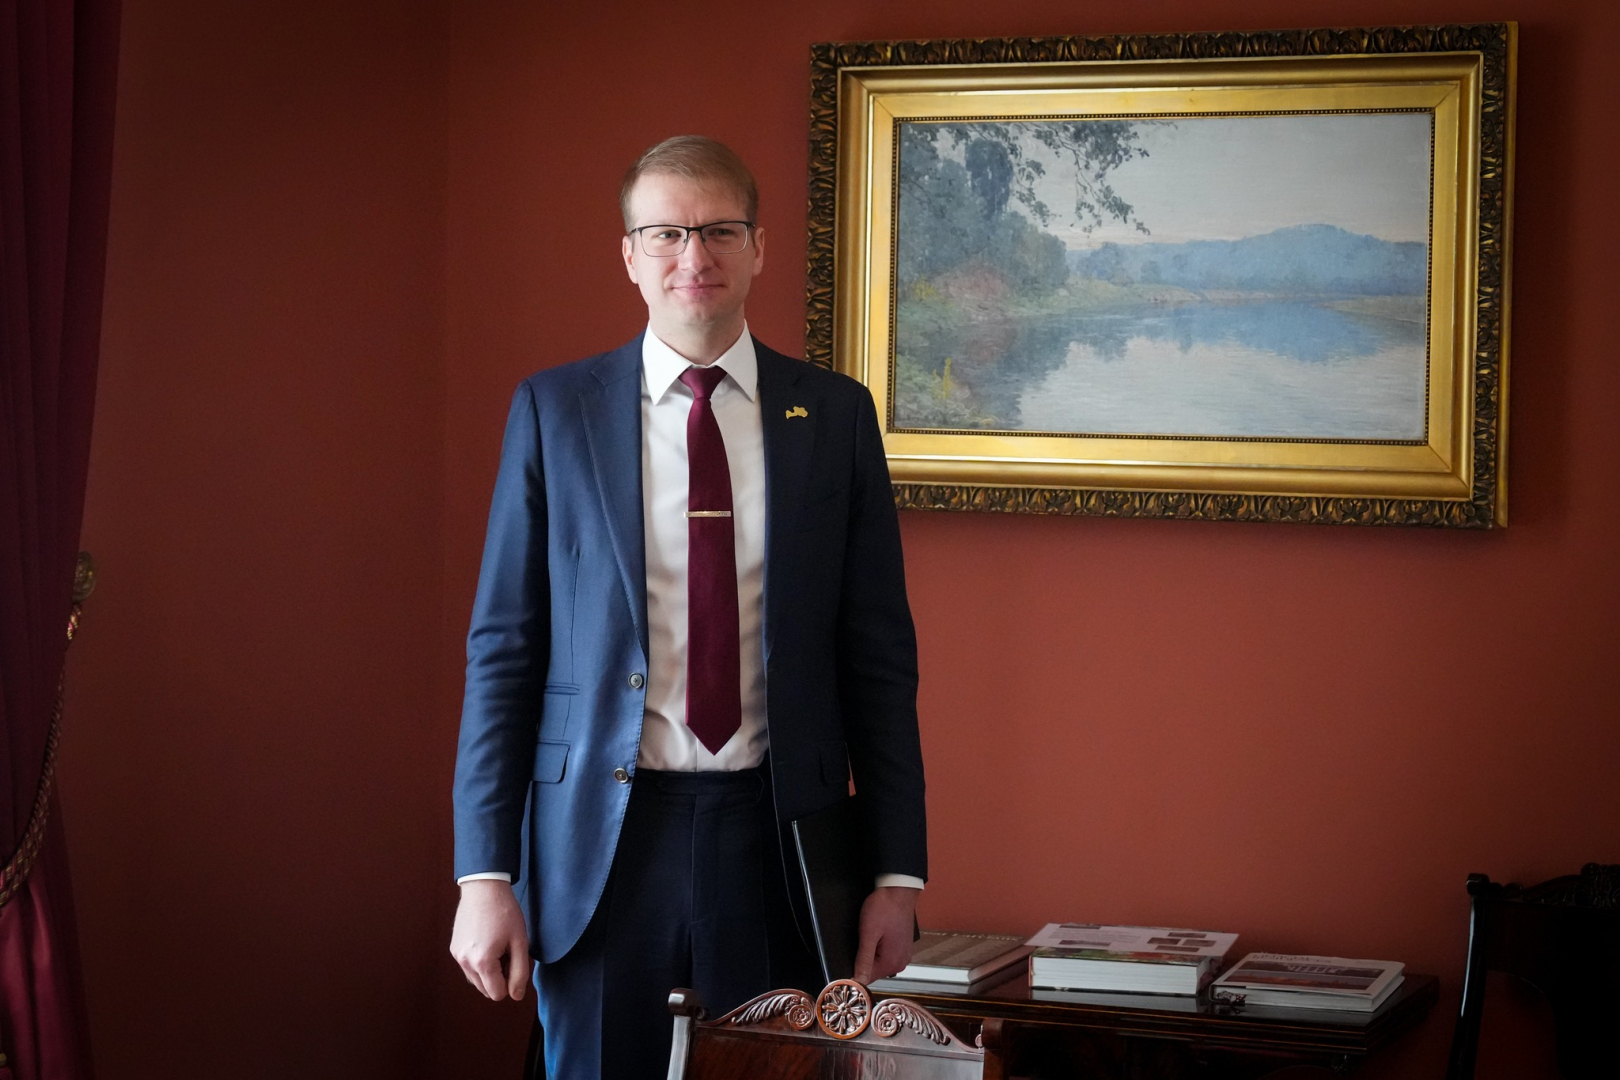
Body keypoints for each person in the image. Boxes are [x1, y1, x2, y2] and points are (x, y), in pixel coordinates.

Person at [448, 135, 926, 1078]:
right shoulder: (555, 411)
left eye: (718, 231)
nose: (692, 256)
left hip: (780, 843)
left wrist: (896, 873)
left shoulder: (834, 416)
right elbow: (505, 651)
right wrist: (483, 874)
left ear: (759, 247)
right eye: (665, 233)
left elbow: (878, 660)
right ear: (629, 255)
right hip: (599, 845)